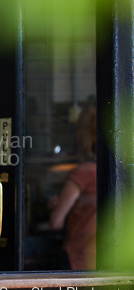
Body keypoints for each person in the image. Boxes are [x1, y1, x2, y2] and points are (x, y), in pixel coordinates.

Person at [49, 105, 97, 270]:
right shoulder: (116, 172)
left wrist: (59, 206)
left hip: (78, 259)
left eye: (78, 129)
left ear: (84, 135)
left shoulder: (84, 173)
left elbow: (56, 222)